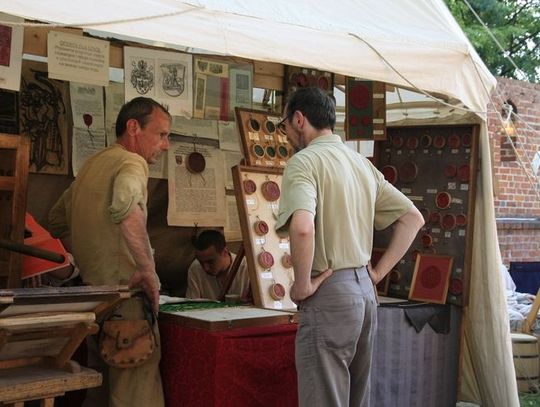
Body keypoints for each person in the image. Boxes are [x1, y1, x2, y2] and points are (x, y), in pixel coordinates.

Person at [275, 87, 424, 407]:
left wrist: (301, 286)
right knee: (357, 397)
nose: (285, 131)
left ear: (299, 119)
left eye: (285, 123)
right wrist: (378, 273)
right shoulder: (361, 164)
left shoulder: (303, 163)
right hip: (364, 291)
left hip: (329, 291)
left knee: (324, 398)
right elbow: (413, 218)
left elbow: (302, 228)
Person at [48, 97, 171, 407]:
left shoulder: (93, 164)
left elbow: (57, 221)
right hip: (126, 304)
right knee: (136, 398)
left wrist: (91, 260)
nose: (166, 145)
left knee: (101, 396)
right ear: (133, 127)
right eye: (161, 134)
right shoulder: (132, 162)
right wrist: (148, 271)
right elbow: (128, 210)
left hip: (95, 301)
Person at [186, 229, 250, 301]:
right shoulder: (195, 268)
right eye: (201, 262)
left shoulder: (248, 269)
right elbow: (191, 305)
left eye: (210, 261)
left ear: (224, 252)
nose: (205, 268)